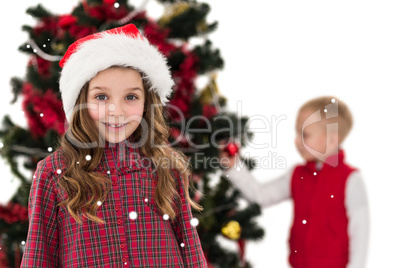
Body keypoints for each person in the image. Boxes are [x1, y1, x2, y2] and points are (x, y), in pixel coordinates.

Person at [21, 24, 207, 267]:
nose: (116, 111)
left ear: (146, 102)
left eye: (130, 97)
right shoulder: (53, 172)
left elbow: (190, 251)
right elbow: (39, 257)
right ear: (81, 101)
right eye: (101, 96)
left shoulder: (165, 165)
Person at [220, 96, 369, 268]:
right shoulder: (297, 175)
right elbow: (260, 196)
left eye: (304, 134)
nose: (296, 140)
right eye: (297, 133)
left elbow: (360, 234)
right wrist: (234, 167)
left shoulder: (350, 180)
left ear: (332, 140)